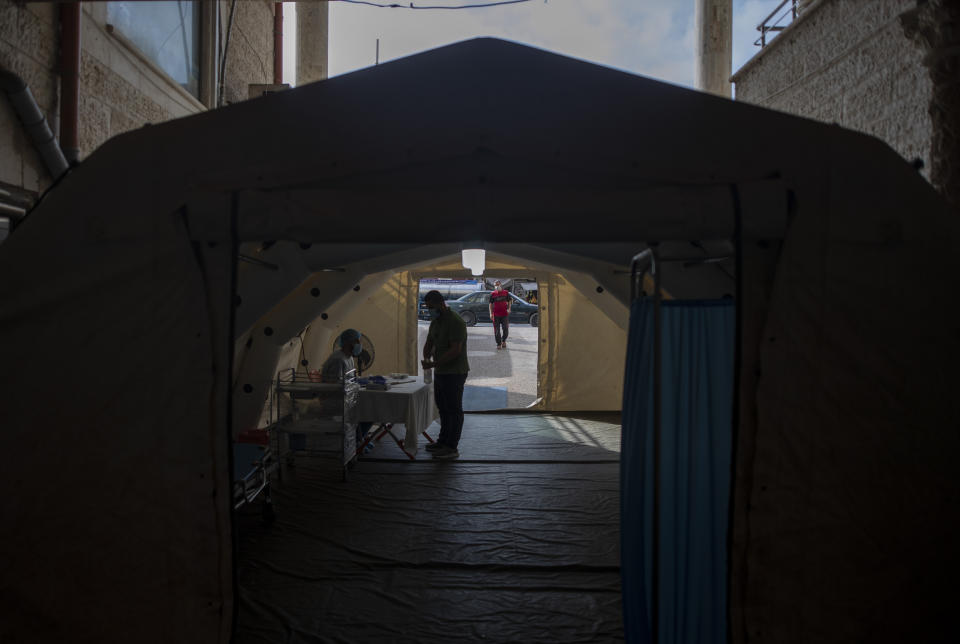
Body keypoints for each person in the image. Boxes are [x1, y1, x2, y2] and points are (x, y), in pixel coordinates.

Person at [421, 290, 469, 459]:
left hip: (455, 372)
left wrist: (434, 363)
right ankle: (442, 441)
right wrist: (426, 355)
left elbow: (455, 350)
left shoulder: (455, 321)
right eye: (427, 307)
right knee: (443, 408)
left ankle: (451, 448)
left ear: (441, 304)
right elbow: (429, 341)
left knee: (453, 410)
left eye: (431, 306)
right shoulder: (436, 321)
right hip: (441, 372)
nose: (429, 310)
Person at [320, 328, 374, 451]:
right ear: (349, 343)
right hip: (335, 400)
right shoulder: (338, 360)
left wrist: (362, 382)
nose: (360, 344)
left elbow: (351, 379)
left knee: (372, 408)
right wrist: (353, 386)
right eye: (357, 341)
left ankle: (360, 438)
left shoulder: (348, 358)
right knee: (369, 410)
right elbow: (334, 385)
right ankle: (357, 441)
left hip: (345, 397)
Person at [488, 280, 512, 349]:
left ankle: (503, 340)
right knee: (497, 330)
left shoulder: (506, 293)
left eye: (497, 285)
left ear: (500, 285)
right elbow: (490, 304)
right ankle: (499, 343)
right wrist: (490, 313)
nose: (496, 286)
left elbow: (509, 300)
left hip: (504, 314)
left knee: (505, 329)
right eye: (495, 285)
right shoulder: (492, 294)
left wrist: (509, 308)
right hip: (496, 315)